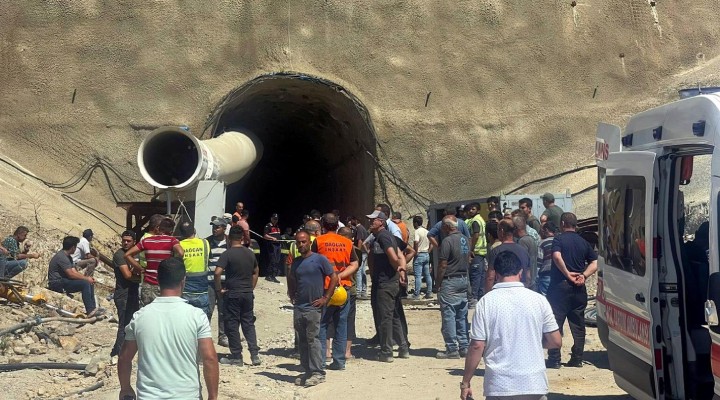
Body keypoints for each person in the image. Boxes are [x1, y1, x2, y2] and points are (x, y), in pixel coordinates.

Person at [460, 251, 562, 400]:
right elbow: (556, 341)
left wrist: (466, 382)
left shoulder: (486, 303)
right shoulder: (539, 300)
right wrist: (531, 340)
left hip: (500, 385)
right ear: (520, 272)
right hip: (534, 383)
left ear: (496, 274)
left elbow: (477, 345)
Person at [118, 257, 219, 400]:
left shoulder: (140, 317)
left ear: (158, 281)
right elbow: (209, 358)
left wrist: (126, 388)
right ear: (183, 280)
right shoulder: (196, 316)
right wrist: (213, 396)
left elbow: (124, 358)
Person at [546, 212, 598, 369]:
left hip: (559, 288)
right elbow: (595, 262)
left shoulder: (559, 239)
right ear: (576, 225)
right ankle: (577, 358)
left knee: (555, 323)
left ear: (562, 224)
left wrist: (567, 274)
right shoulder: (583, 242)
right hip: (578, 288)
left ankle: (554, 359)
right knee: (578, 324)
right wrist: (584, 275)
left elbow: (556, 256)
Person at [287, 230, 338, 387]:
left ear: (309, 242)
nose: (301, 245)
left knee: (313, 339)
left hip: (313, 307)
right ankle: (308, 370)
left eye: (303, 242)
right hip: (299, 307)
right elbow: (291, 278)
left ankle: (318, 372)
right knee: (302, 340)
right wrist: (292, 294)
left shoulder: (319, 259)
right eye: (298, 242)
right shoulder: (295, 262)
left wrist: (326, 298)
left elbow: (334, 277)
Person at [313, 213, 359, 370]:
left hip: (324, 288)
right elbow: (354, 264)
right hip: (343, 289)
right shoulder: (347, 242)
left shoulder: (318, 241)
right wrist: (340, 275)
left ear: (323, 226)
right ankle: (339, 362)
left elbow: (312, 262)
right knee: (341, 324)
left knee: (322, 324)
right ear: (337, 225)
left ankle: (320, 361)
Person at [366, 209, 409, 362]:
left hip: (385, 283)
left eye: (373, 220)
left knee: (385, 317)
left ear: (382, 222)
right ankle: (403, 348)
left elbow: (393, 255)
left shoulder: (383, 236)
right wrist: (401, 271)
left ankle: (386, 352)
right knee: (394, 316)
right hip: (391, 282)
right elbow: (401, 254)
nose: (371, 222)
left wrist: (397, 268)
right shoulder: (385, 236)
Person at [215, 226, 261, 366]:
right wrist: (250, 287)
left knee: (232, 324)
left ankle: (236, 356)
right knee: (248, 323)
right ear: (242, 238)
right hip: (247, 293)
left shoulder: (227, 254)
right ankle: (254, 355)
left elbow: (217, 273)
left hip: (232, 293)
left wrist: (219, 290)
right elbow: (256, 271)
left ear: (229, 238)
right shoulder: (249, 253)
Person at [125, 217, 183, 307]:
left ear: (158, 228)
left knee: (147, 312)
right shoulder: (172, 240)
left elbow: (127, 255)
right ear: (171, 231)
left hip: (147, 284)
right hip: (163, 285)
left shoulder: (146, 241)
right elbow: (181, 252)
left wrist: (140, 268)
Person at [435, 216, 470, 359]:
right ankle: (464, 346)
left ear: (447, 227)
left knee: (449, 315)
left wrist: (438, 282)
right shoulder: (465, 240)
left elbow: (443, 264)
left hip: (450, 280)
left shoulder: (447, 241)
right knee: (461, 315)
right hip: (463, 279)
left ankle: (451, 349)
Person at [47, 236, 103, 317]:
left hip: (64, 280)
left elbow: (74, 271)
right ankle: (90, 310)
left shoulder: (68, 257)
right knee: (85, 284)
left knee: (89, 282)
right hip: (56, 282)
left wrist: (88, 279)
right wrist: (86, 278)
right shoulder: (61, 257)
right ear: (73, 247)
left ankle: (93, 308)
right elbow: (71, 274)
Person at [111, 230, 141, 357]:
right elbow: (128, 275)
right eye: (124, 240)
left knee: (133, 324)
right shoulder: (120, 255)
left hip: (132, 293)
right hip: (123, 295)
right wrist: (142, 274)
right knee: (124, 325)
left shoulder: (135, 254)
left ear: (134, 242)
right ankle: (118, 353)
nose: (125, 243)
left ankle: (125, 351)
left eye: (128, 241)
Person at [485, 219, 531, 294]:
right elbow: (528, 276)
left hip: (501, 293)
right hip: (521, 291)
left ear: (502, 231)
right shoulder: (524, 251)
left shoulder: (496, 251)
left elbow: (490, 277)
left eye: (498, 229)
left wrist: (488, 294)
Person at [179, 222, 211, 318]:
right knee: (202, 321)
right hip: (202, 289)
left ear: (181, 233)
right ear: (194, 231)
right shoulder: (205, 243)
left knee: (186, 321)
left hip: (185, 290)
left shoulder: (179, 245)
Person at [206, 217, 229, 347]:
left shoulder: (230, 243)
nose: (214, 229)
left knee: (224, 310)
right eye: (213, 227)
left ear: (224, 228)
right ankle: (206, 337)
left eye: (217, 227)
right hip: (209, 282)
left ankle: (223, 336)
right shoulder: (207, 242)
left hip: (225, 283)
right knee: (208, 310)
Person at [338, 226, 360, 361]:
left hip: (334, 287)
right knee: (349, 320)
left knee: (331, 320)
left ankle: (328, 351)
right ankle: (347, 352)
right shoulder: (356, 250)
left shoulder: (332, 249)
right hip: (350, 288)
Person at [465, 202, 487, 303]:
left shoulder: (475, 221)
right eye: (469, 209)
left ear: (477, 210)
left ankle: (473, 298)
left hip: (476, 252)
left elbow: (476, 235)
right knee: (481, 275)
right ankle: (480, 296)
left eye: (473, 209)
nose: (470, 211)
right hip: (481, 252)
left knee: (475, 276)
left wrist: (471, 249)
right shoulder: (480, 219)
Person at [513, 213, 539, 289]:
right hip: (533, 279)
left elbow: (524, 262)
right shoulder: (530, 239)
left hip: (527, 282)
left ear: (515, 228)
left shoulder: (522, 241)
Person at [412, 215, 433, 299]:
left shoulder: (417, 231)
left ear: (416, 223)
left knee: (418, 275)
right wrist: (429, 251)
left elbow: (416, 242)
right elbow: (432, 243)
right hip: (426, 254)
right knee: (427, 275)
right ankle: (429, 292)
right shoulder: (427, 231)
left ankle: (416, 293)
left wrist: (415, 252)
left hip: (419, 254)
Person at [349, 216, 370, 298]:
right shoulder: (362, 228)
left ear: (356, 220)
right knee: (362, 271)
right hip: (364, 252)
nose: (351, 221)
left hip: (361, 253)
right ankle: (363, 291)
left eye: (352, 220)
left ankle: (358, 291)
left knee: (358, 271)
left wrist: (357, 250)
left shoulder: (360, 228)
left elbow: (360, 240)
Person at [536, 222, 558, 296]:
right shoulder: (559, 241)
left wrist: (536, 278)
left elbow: (538, 262)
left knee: (546, 299)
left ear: (546, 230)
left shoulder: (542, 243)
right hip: (559, 274)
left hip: (546, 275)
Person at [263, 213, 282, 283]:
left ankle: (273, 275)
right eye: (274, 219)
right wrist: (272, 238)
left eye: (276, 219)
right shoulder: (268, 226)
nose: (275, 220)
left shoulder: (277, 226)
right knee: (272, 260)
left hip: (278, 245)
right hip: (272, 245)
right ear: (271, 218)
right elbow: (265, 235)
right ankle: (270, 276)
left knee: (277, 260)